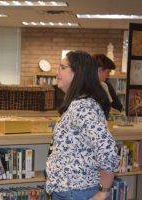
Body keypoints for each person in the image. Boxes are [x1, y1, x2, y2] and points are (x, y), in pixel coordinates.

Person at [46, 51, 119, 200]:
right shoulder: (78, 104)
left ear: (77, 72)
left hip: (77, 192)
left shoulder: (83, 106)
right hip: (69, 191)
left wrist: (104, 191)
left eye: (62, 67)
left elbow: (108, 150)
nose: (56, 73)